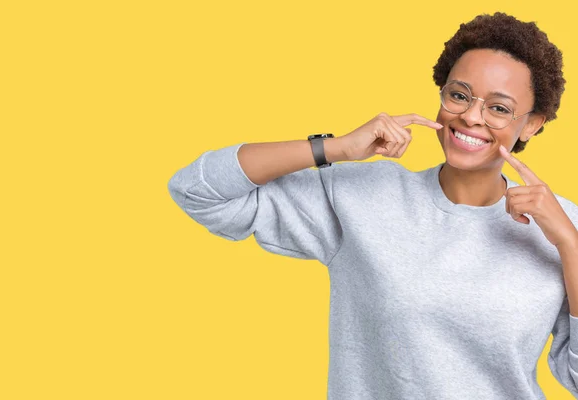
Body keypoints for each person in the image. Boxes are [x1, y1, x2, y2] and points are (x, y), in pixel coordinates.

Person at [167, 12, 578, 400]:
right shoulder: (365, 197)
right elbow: (198, 190)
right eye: (459, 95)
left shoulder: (561, 224)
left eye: (499, 108)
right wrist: (334, 147)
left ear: (533, 123)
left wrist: (570, 245)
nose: (471, 116)